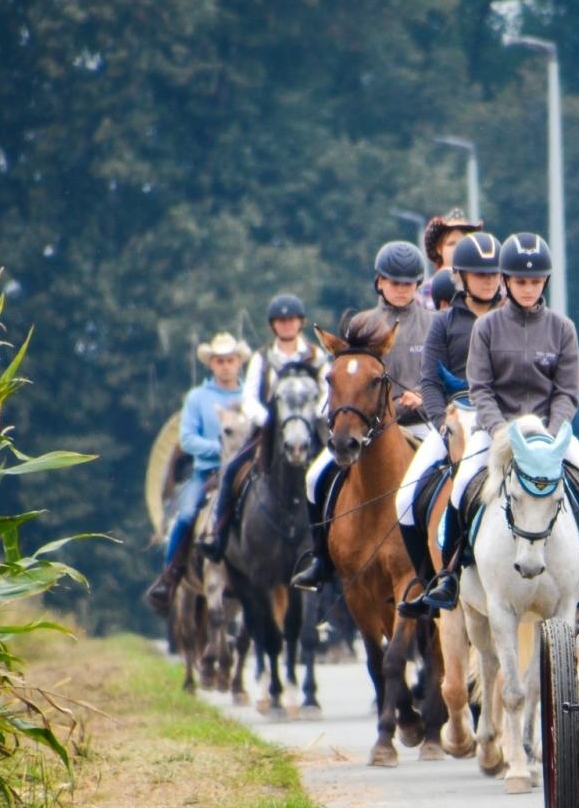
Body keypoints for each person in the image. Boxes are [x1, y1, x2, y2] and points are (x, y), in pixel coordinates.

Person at [414, 232, 579, 611]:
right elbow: (481, 388)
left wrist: (552, 434)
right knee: (461, 485)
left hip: (547, 432)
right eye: (521, 281)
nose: (528, 288)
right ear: (508, 281)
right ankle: (450, 570)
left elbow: (566, 391)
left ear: (545, 282)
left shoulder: (563, 329)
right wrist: (498, 431)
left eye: (535, 281)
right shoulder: (487, 328)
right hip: (496, 430)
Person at [291, 241, 432, 590]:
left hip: (423, 424)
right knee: (313, 478)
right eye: (394, 282)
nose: (401, 289)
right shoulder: (363, 324)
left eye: (408, 282)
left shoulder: (434, 324)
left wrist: (424, 399)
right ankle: (321, 559)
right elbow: (347, 379)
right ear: (379, 283)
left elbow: (444, 377)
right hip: (368, 429)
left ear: (417, 285)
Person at [394, 230, 504, 615]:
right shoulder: (443, 324)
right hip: (456, 417)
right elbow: (429, 380)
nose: (489, 280)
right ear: (462, 276)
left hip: (502, 419)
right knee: (404, 499)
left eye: (494, 273)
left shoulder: (514, 317)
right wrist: (440, 421)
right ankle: (432, 583)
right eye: (480, 273)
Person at [201, 293, 326, 561]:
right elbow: (249, 398)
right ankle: (218, 535)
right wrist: (269, 419)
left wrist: (312, 415)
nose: (286, 325)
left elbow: (328, 391)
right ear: (273, 325)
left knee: (339, 472)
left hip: (310, 429)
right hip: (270, 432)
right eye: (281, 320)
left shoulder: (317, 356)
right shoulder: (262, 358)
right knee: (231, 470)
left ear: (300, 322)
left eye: (291, 319)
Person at [145, 332, 250, 614]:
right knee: (187, 514)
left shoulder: (250, 394)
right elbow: (188, 439)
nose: (226, 365)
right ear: (211, 364)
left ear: (239, 362)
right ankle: (170, 576)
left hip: (246, 473)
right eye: (220, 361)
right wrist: (221, 448)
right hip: (208, 474)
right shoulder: (197, 398)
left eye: (230, 360)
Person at [419, 208, 482, 309]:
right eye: (451, 244)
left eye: (463, 243)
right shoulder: (429, 288)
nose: (458, 248)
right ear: (439, 248)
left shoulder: (478, 283)